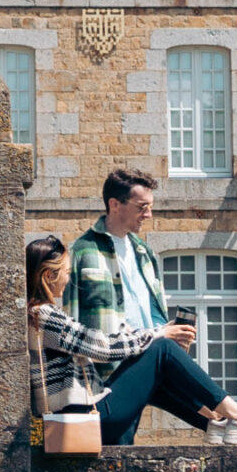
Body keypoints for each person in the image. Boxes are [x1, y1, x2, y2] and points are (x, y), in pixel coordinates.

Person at [28, 234, 237, 446]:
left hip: (82, 418)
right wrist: (159, 335)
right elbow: (103, 347)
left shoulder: (37, 316)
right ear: (49, 275)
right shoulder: (43, 316)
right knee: (162, 349)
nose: (69, 278)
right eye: (66, 272)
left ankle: (217, 425)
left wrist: (156, 332)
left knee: (156, 370)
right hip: (84, 419)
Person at [61, 168, 172, 444]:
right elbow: (71, 321)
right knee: (117, 446)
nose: (148, 215)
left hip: (148, 357)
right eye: (142, 207)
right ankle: (235, 420)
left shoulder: (145, 253)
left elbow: (154, 310)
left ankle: (232, 420)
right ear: (114, 204)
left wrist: (173, 332)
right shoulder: (83, 251)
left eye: (150, 207)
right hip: (108, 372)